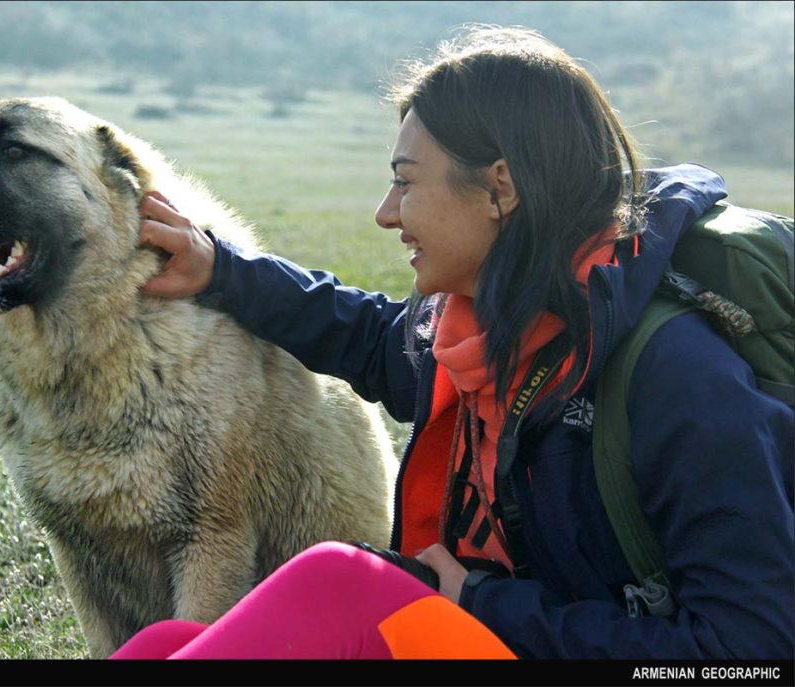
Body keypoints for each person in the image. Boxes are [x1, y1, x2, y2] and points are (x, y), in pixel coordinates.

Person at [112, 26, 794, 659]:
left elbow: (749, 647)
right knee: (162, 642)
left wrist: (485, 604)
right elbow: (375, 339)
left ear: (500, 187)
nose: (385, 213)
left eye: (406, 181)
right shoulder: (478, 330)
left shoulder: (676, 375)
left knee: (340, 583)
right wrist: (221, 269)